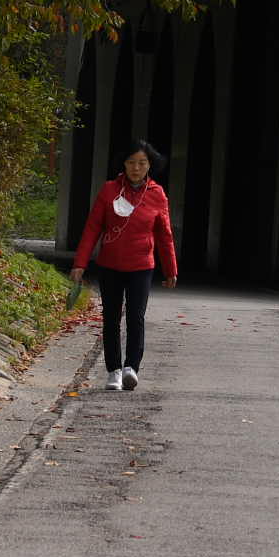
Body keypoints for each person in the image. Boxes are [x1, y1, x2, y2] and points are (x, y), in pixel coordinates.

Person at [71, 143, 177, 391]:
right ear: (123, 165)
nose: (136, 168)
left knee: (136, 317)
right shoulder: (110, 190)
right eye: (131, 162)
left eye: (142, 163)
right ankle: (114, 371)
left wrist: (170, 268)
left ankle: (131, 368)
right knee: (111, 318)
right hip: (110, 265)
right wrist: (80, 263)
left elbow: (165, 235)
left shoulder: (157, 194)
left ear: (150, 165)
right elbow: (92, 228)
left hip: (142, 266)